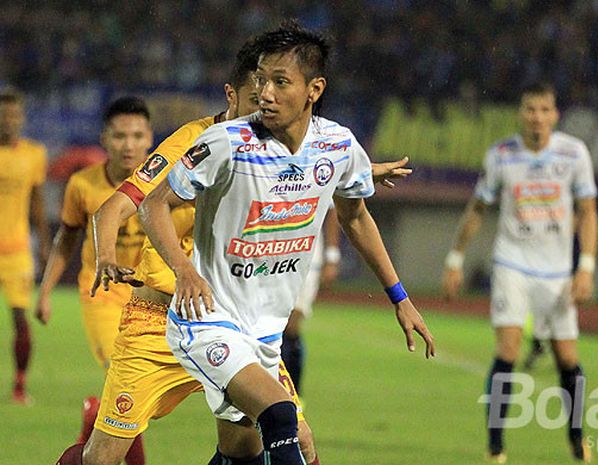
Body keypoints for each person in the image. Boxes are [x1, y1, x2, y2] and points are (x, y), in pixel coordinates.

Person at [138, 21, 434, 465]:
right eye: (260, 80)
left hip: (264, 332)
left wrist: (400, 296)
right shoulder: (224, 143)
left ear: (314, 89)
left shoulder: (337, 145)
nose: (265, 93)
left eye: (281, 82)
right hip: (206, 321)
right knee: (282, 418)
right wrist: (184, 271)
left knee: (240, 451)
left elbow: (356, 218)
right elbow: (154, 204)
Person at [442, 82, 598, 463]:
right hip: (512, 262)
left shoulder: (573, 154)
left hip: (558, 270)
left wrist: (587, 266)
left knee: (566, 356)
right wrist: (455, 259)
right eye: (531, 109)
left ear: (555, 115)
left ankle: (577, 440)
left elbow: (589, 211)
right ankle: (495, 447)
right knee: (508, 349)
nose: (537, 117)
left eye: (545, 110)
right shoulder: (501, 155)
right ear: (520, 113)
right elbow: (478, 208)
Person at [37, 96, 152, 463]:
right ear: (104, 138)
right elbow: (68, 237)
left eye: (137, 135)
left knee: (144, 393)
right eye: (120, 136)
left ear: (150, 138)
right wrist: (45, 291)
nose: (129, 145)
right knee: (127, 383)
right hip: (102, 295)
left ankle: (93, 415)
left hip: (152, 299)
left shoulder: (166, 182)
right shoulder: (83, 185)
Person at [0, 88, 50, 405]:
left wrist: (44, 242)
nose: (9, 121)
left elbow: (37, 201)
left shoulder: (34, 154)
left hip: (16, 249)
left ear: (22, 119)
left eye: (14, 115)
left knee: (20, 319)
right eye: (4, 116)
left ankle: (19, 385)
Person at [281, 207, 340, 395]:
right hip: (271, 252)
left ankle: (293, 394)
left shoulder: (318, 176)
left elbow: (332, 209)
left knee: (291, 326)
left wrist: (331, 257)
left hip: (308, 254)